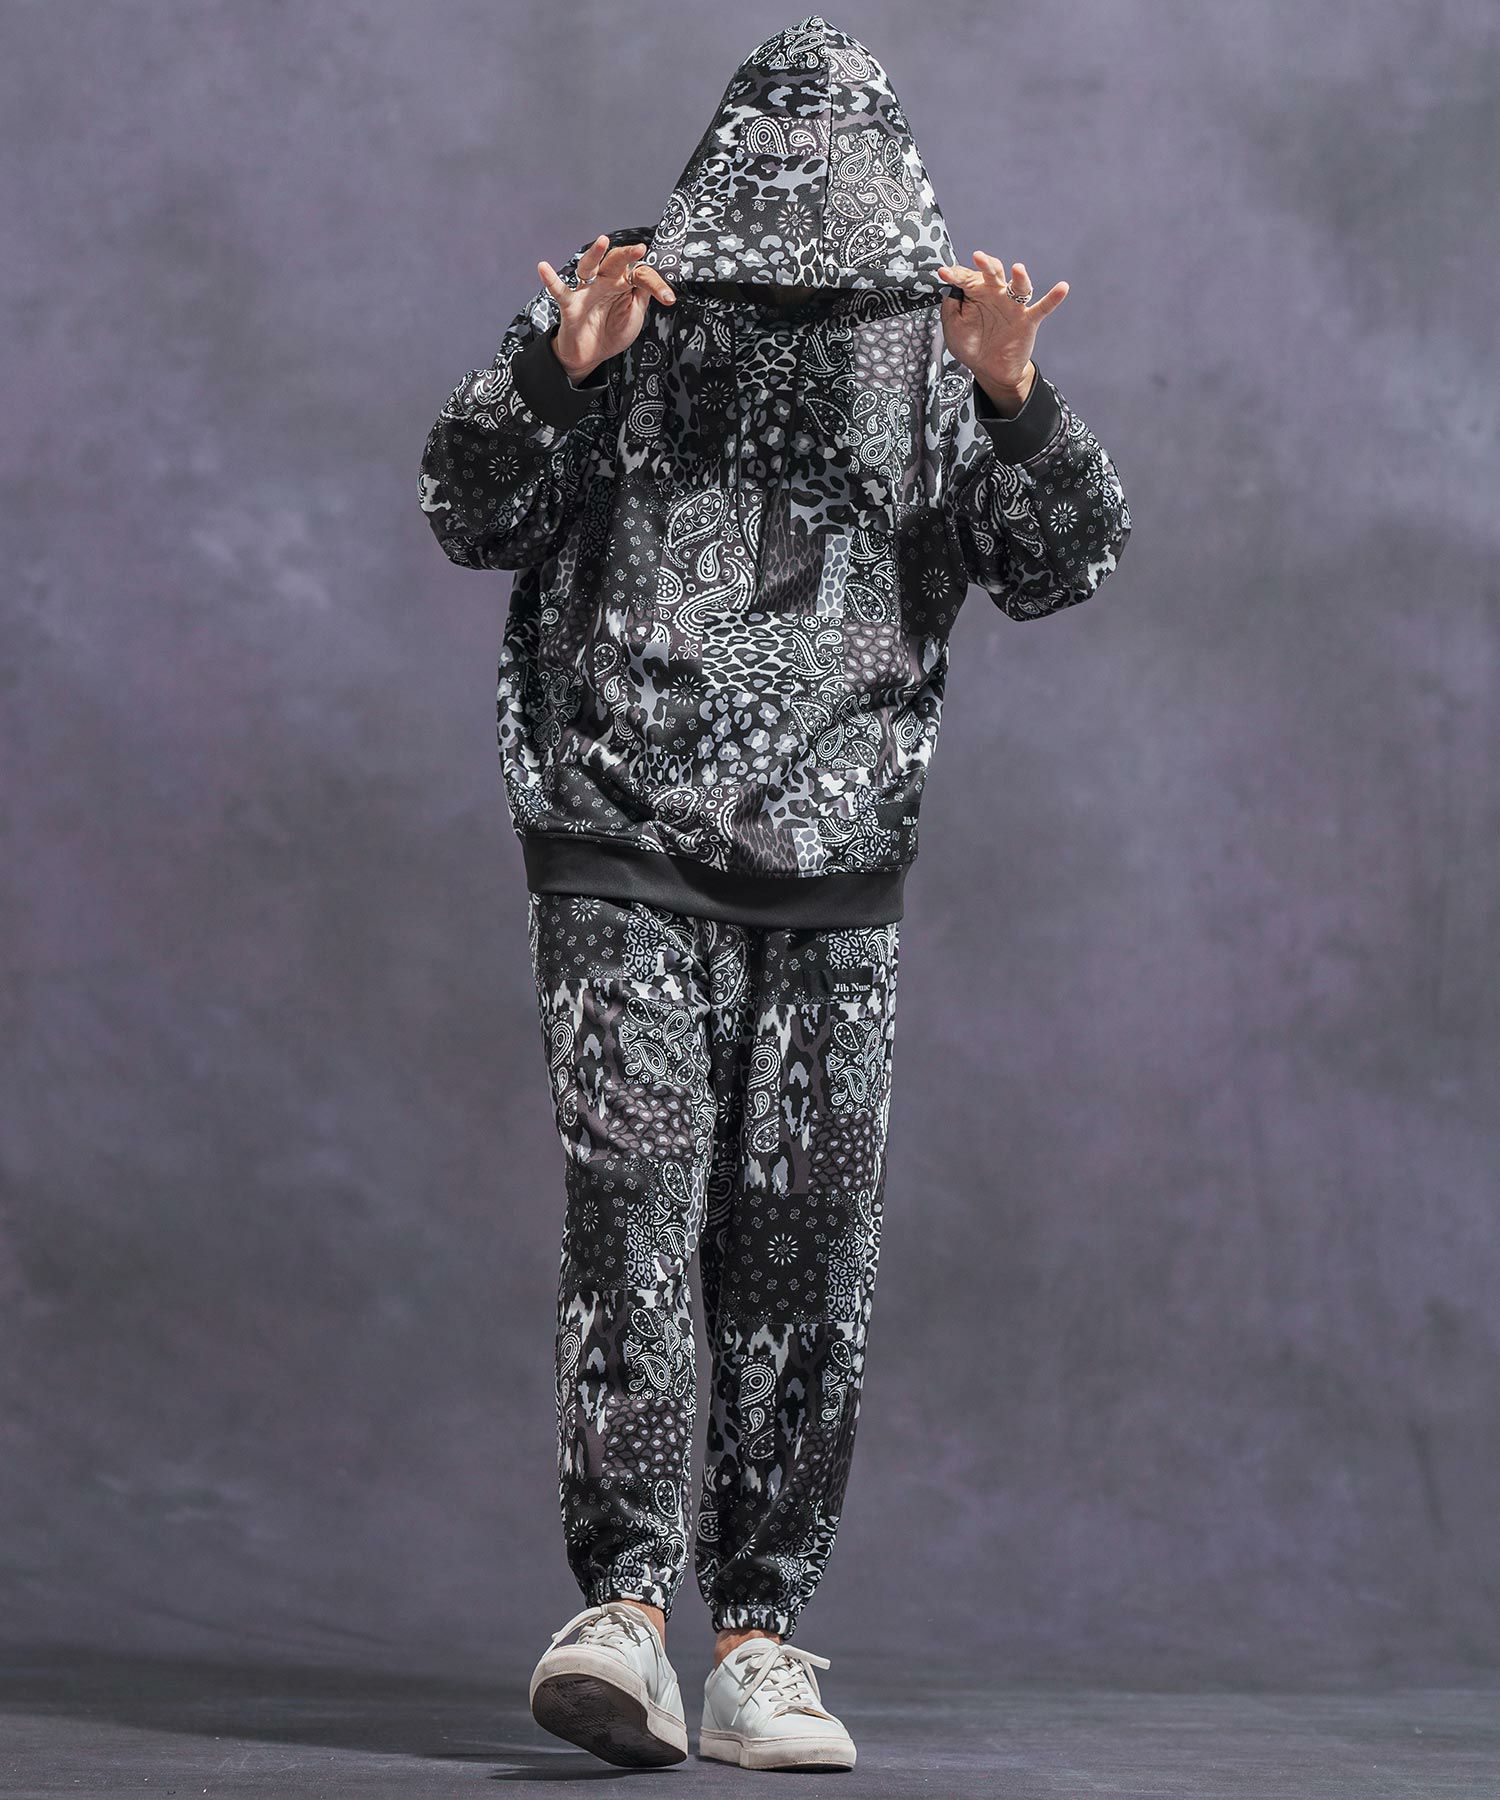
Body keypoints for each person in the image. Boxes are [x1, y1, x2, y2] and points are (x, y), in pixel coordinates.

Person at [417, 10, 1130, 1773]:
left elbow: (1066, 561)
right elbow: (467, 509)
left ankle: (757, 1642)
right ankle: (622, 1613)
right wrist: (558, 371)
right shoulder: (624, 304)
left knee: (806, 1252)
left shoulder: (938, 343)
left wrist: (1015, 400)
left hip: (838, 863)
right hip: (618, 832)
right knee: (636, 1215)